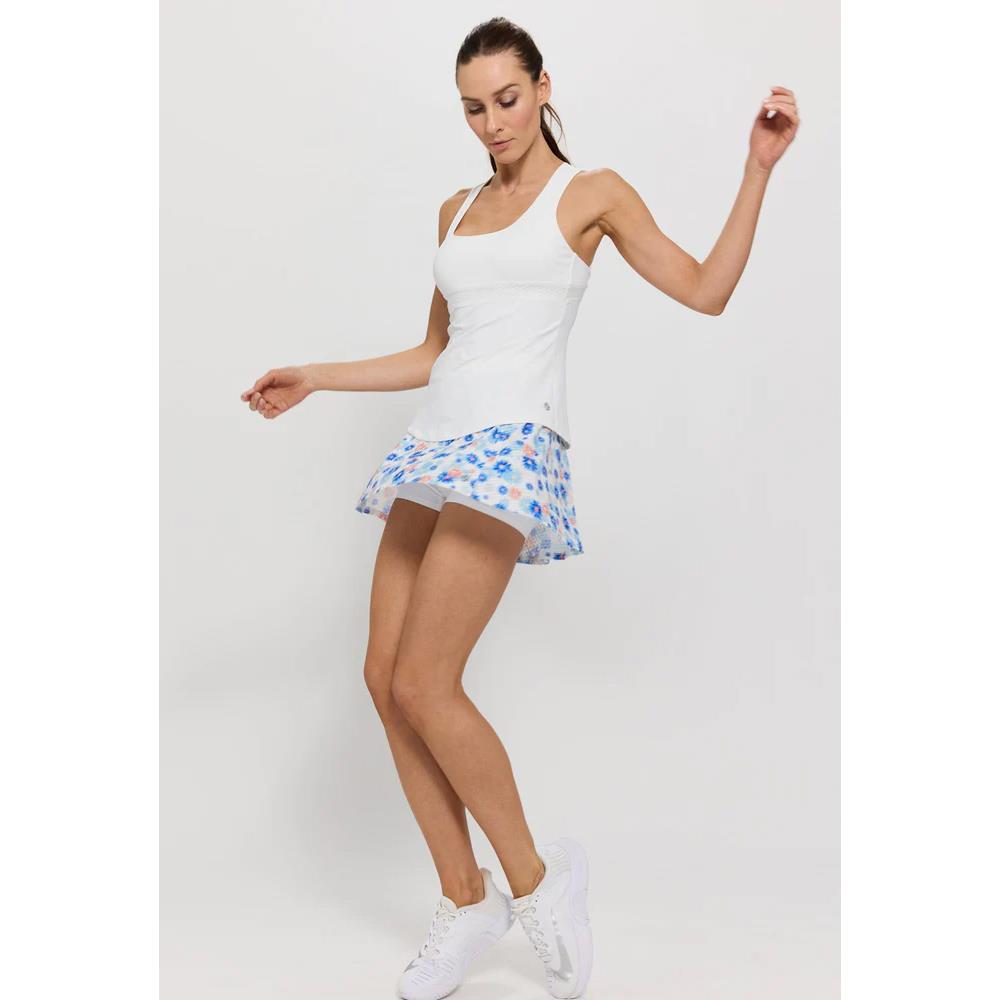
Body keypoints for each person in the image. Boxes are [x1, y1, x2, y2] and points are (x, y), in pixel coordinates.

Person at [240, 15, 798, 1000]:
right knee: (382, 677)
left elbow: (706, 290)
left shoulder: (592, 194)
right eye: (473, 108)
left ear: (543, 88)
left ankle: (538, 883)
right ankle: (467, 899)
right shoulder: (454, 209)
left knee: (427, 681)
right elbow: (436, 353)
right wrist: (316, 376)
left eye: (506, 99)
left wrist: (756, 169)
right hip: (435, 444)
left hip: (510, 446)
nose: (492, 122)